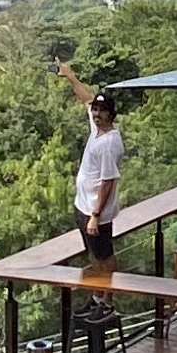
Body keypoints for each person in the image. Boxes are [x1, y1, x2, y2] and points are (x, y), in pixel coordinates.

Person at [72, 87, 124, 266]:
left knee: (104, 256)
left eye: (102, 110)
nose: (97, 114)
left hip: (95, 212)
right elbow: (86, 99)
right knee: (93, 253)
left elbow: (107, 181)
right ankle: (98, 294)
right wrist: (70, 76)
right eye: (96, 109)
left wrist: (95, 215)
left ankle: (108, 293)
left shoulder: (109, 143)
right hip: (83, 206)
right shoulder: (97, 129)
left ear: (111, 114)